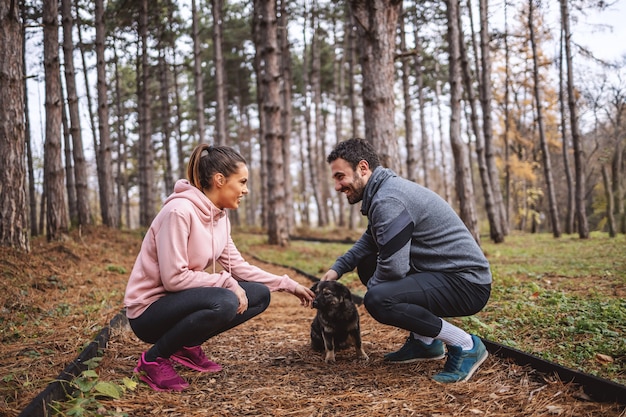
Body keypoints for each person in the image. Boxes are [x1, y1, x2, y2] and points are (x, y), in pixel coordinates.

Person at [124, 144, 315, 392]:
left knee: (259, 295)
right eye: (242, 182)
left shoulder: (220, 218)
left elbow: (239, 267)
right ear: (220, 180)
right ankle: (153, 360)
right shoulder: (178, 212)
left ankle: (185, 345)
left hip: (178, 302)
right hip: (148, 311)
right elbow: (174, 278)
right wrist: (226, 282)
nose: (246, 190)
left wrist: (287, 284)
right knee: (225, 300)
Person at [321, 138, 492, 383]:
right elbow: (370, 241)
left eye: (340, 176)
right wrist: (336, 269)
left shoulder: (388, 199)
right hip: (442, 273)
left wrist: (380, 301)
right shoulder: (385, 192)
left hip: (467, 283)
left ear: (362, 168)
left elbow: (394, 269)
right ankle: (425, 343)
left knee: (380, 299)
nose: (337, 186)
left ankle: (465, 345)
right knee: (369, 264)